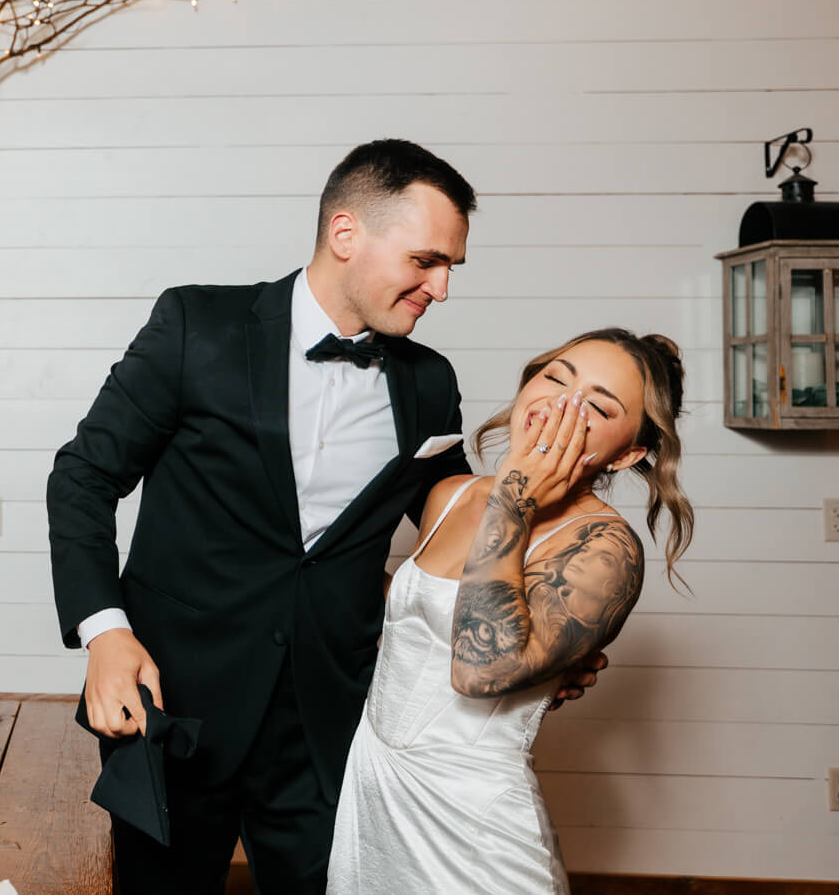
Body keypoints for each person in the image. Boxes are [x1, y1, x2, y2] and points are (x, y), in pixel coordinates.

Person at [48, 138, 487, 893]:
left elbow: (457, 533)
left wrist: (550, 633)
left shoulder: (430, 382)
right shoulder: (195, 325)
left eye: (451, 266)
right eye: (426, 261)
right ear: (346, 233)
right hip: (177, 703)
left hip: (329, 718)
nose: (441, 288)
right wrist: (105, 632)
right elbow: (83, 476)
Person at [327, 329, 693, 894]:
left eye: (598, 407)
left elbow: (480, 672)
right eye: (555, 378)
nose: (563, 406)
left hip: (474, 828)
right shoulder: (449, 495)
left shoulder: (606, 547)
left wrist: (513, 499)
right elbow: (406, 619)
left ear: (626, 454)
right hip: (374, 794)